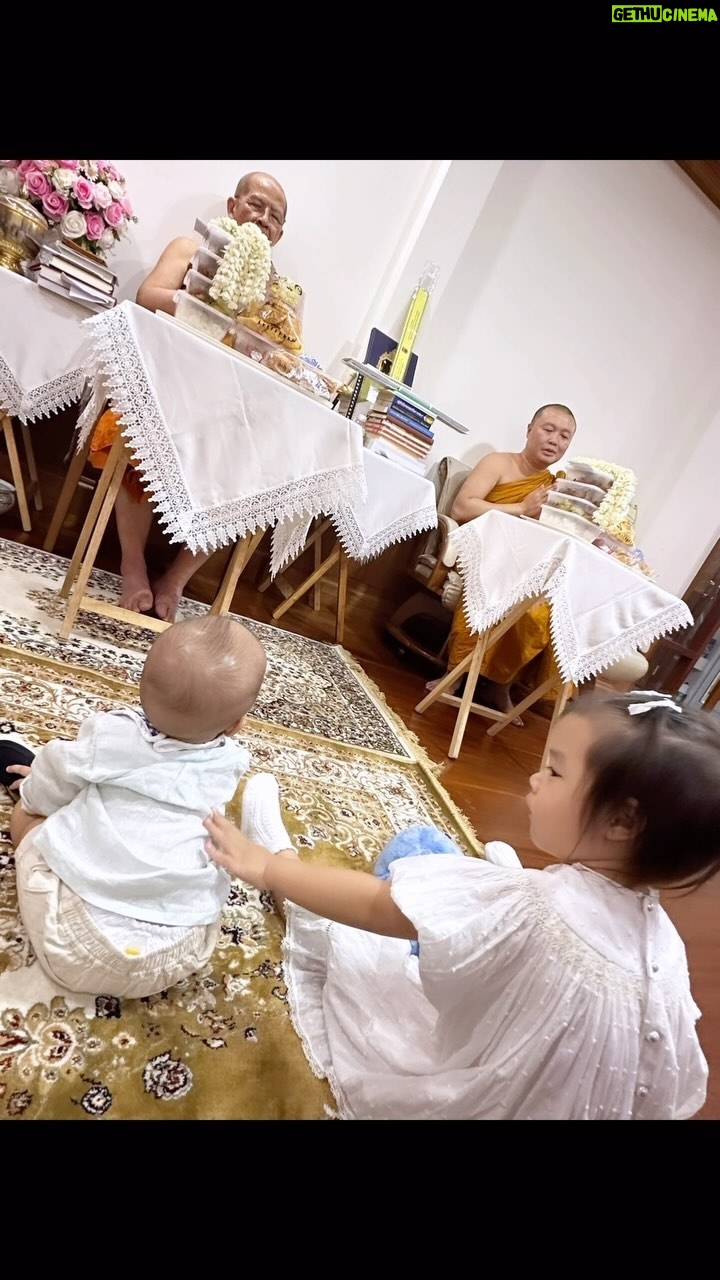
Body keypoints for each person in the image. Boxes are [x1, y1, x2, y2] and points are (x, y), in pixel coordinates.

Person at [203, 689, 718, 1120]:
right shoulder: (668, 951)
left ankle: (282, 858)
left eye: (555, 772)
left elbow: (381, 907)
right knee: (459, 883)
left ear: (621, 822)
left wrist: (267, 869)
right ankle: (491, 878)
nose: (535, 778)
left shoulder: (537, 906)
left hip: (470, 1097)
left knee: (385, 896)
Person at [0, 615, 267, 999]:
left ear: (140, 685)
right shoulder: (231, 763)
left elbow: (55, 776)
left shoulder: (111, 734)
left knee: (30, 815)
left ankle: (21, 786)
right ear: (236, 725)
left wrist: (34, 790)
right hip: (178, 951)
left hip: (74, 941)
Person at [88, 171, 289, 622]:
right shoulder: (190, 248)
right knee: (136, 432)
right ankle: (133, 566)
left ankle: (175, 581)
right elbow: (147, 296)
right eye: (256, 205)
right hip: (164, 390)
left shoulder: (276, 296)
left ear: (278, 235)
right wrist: (203, 308)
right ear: (233, 206)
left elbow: (278, 356)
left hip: (225, 410)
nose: (263, 219)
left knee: (254, 473)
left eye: (275, 216)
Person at [430, 403, 577, 724]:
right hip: (484, 553)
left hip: (527, 564)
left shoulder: (558, 486)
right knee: (495, 587)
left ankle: (501, 686)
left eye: (565, 436)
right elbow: (462, 509)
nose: (555, 440)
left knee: (543, 610)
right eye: (548, 429)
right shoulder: (498, 463)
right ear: (530, 430)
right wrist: (522, 507)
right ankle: (455, 675)